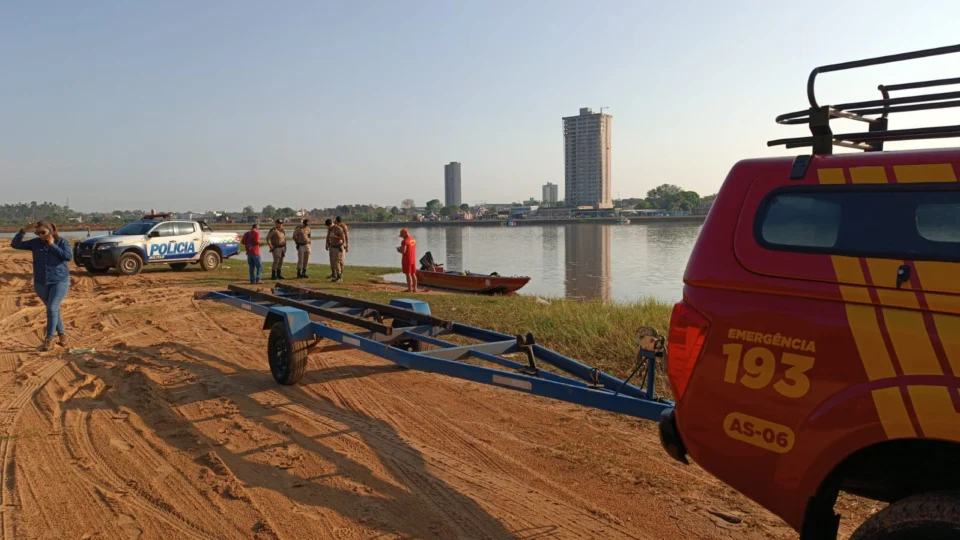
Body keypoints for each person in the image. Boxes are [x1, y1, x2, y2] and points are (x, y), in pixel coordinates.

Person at [11, 221, 73, 351]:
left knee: (51, 309)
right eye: (37, 233)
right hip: (41, 283)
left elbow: (68, 257)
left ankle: (49, 339)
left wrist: (52, 245)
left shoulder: (62, 242)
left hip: (59, 281)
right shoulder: (35, 243)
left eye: (43, 232)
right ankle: (62, 335)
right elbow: (15, 244)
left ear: (50, 230)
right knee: (53, 310)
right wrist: (23, 229)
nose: (40, 235)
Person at [397, 228, 418, 292]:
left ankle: (409, 289)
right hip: (413, 259)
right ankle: (415, 288)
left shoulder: (404, 241)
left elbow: (403, 251)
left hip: (407, 260)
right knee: (413, 274)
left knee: (408, 274)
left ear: (405, 233)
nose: (402, 237)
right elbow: (409, 249)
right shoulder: (413, 240)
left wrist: (398, 250)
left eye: (402, 235)